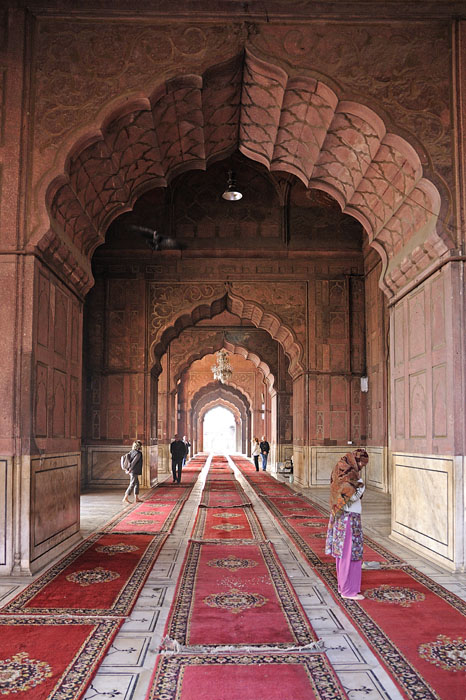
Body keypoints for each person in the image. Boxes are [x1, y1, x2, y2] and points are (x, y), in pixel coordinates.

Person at [325, 448, 369, 600]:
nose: (363, 467)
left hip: (340, 516)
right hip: (349, 517)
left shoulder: (340, 469)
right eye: (362, 463)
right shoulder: (350, 475)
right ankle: (348, 590)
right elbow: (349, 498)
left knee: (343, 552)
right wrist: (361, 488)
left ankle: (343, 586)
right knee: (349, 553)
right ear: (357, 461)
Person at [122, 440, 143, 504]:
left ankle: (136, 498)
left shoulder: (132, 452)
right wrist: (129, 470)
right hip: (134, 470)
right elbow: (133, 463)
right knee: (132, 484)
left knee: (137, 483)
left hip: (132, 470)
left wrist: (128, 469)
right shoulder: (138, 453)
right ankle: (125, 497)